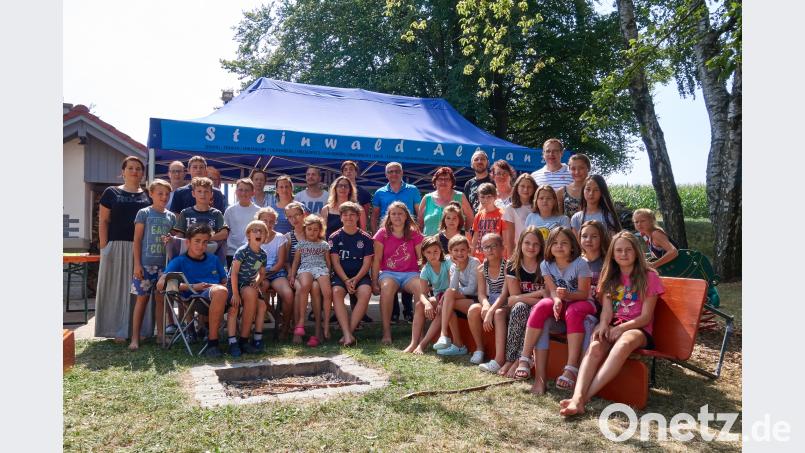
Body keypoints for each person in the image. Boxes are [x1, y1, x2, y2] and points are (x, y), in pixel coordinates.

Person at [560, 231, 664, 416]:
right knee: (595, 347)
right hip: (614, 323)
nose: (623, 254)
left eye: (628, 250)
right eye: (619, 250)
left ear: (636, 252)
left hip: (637, 328)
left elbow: (646, 316)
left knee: (623, 343)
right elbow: (607, 311)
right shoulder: (609, 277)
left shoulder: (649, 277)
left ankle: (583, 399)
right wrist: (603, 324)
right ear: (613, 254)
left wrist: (621, 328)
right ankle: (577, 397)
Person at [514, 227, 592, 395]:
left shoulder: (581, 263)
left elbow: (584, 294)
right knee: (541, 306)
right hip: (562, 305)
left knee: (574, 310)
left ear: (572, 246)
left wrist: (568, 295)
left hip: (582, 305)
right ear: (549, 246)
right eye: (555, 243)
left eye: (564, 243)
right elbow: (552, 291)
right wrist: (557, 299)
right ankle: (525, 358)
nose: (559, 246)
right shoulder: (546, 264)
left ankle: (571, 368)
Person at [95, 156, 152, 341]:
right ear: (123, 171)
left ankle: (140, 331)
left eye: (138, 168)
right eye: (131, 168)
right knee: (114, 288)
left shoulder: (148, 195)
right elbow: (103, 221)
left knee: (138, 291)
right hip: (116, 246)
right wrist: (104, 246)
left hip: (141, 249)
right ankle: (115, 330)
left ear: (142, 173)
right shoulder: (111, 193)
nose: (134, 171)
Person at [157, 223, 230, 358]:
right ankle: (213, 343)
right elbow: (162, 285)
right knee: (220, 291)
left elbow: (224, 281)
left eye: (205, 242)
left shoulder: (213, 259)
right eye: (197, 241)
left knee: (224, 291)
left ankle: (237, 341)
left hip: (217, 295)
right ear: (188, 242)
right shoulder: (179, 261)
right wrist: (192, 287)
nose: (201, 245)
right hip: (194, 298)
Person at [128, 179, 176, 350]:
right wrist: (137, 265)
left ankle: (160, 335)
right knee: (141, 300)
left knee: (161, 300)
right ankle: (135, 338)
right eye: (160, 193)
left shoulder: (171, 217)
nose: (163, 197)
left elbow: (174, 243)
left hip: (164, 267)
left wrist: (170, 240)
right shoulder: (144, 213)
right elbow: (137, 239)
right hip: (146, 265)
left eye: (166, 194)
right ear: (151, 194)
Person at [371, 162, 421, 322]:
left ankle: (408, 312)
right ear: (386, 175)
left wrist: (417, 232)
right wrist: (376, 233)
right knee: (389, 281)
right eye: (390, 172)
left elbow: (418, 213)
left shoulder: (413, 189)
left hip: (408, 234)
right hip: (388, 236)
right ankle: (393, 314)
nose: (393, 174)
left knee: (409, 266)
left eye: (396, 171)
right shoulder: (380, 192)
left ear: (401, 173)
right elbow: (375, 215)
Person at [371, 202, 424, 345]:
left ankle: (419, 333)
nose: (397, 216)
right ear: (389, 216)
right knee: (387, 288)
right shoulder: (382, 233)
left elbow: (421, 258)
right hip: (389, 273)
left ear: (406, 216)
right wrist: (374, 282)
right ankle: (386, 332)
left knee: (420, 288)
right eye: (393, 213)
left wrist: (425, 278)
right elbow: (376, 260)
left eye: (400, 213)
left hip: (411, 273)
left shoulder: (414, 233)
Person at [497, 227, 547, 378]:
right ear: (520, 244)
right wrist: (538, 293)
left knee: (533, 312)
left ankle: (521, 359)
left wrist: (521, 298)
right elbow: (513, 299)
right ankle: (510, 359)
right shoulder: (513, 265)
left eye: (536, 244)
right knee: (519, 308)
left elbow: (546, 298)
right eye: (527, 243)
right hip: (523, 305)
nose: (531, 247)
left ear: (541, 246)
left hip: (541, 308)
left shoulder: (545, 265)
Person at [329, 202, 374, 347]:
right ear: (341, 217)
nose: (349, 218)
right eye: (345, 215)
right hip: (342, 276)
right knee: (336, 292)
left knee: (366, 292)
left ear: (357, 217)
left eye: (352, 215)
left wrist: (356, 279)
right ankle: (348, 334)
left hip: (360, 276)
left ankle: (348, 332)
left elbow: (367, 263)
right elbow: (335, 262)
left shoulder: (366, 238)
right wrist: (346, 280)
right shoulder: (334, 237)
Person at [289, 214, 333, 347]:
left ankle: (325, 325)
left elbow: (328, 262)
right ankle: (301, 321)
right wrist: (292, 275)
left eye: (316, 229)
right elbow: (296, 262)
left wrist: (328, 274)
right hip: (306, 268)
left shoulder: (324, 245)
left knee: (327, 292)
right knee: (305, 286)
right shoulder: (301, 244)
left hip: (321, 268)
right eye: (309, 229)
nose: (312, 232)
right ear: (305, 229)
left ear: (320, 231)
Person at [433, 235, 479, 359]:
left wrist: (453, 294)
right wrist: (457, 267)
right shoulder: (453, 266)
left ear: (468, 250)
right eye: (456, 250)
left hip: (475, 299)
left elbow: (472, 289)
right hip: (461, 298)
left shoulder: (474, 262)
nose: (459, 253)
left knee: (448, 295)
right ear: (451, 252)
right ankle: (458, 345)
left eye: (463, 250)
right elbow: (453, 286)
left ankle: (444, 334)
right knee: (449, 306)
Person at [225, 220, 268, 357]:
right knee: (234, 308)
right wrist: (235, 294)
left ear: (265, 236)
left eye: (261, 231)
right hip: (235, 284)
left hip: (248, 284)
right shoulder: (242, 251)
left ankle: (254, 339)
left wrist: (257, 282)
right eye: (254, 230)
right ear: (248, 235)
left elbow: (261, 273)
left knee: (262, 306)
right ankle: (233, 342)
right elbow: (234, 273)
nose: (258, 232)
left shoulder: (262, 254)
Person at [408, 235, 453, 354]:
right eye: (428, 252)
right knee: (419, 305)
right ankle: (413, 343)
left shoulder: (447, 263)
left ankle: (423, 344)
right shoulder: (425, 270)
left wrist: (441, 300)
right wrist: (427, 303)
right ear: (423, 253)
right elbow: (422, 293)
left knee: (440, 309)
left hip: (451, 295)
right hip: (439, 297)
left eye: (435, 251)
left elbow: (452, 286)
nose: (432, 255)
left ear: (440, 251)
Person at [284, 202, 321, 344]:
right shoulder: (288, 237)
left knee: (316, 287)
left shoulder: (313, 231)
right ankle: (298, 330)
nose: (294, 219)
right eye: (290, 217)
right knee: (300, 288)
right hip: (297, 273)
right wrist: (289, 273)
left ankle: (318, 330)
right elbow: (287, 260)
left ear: (304, 214)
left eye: (297, 215)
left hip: (316, 271)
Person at [256, 207, 294, 345]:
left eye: (271, 221)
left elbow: (280, 262)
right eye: (264, 220)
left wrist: (267, 272)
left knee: (288, 294)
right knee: (260, 291)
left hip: (276, 272)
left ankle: (285, 326)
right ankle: (276, 316)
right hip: (260, 273)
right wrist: (260, 274)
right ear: (258, 220)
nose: (268, 223)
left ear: (275, 222)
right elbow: (252, 260)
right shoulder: (253, 237)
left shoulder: (280, 237)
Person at [476, 233, 510, 372]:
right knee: (473, 309)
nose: (489, 250)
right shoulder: (481, 269)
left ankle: (499, 359)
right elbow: (481, 293)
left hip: (506, 301)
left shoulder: (508, 267)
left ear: (502, 248)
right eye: (486, 247)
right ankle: (479, 350)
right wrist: (485, 304)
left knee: (498, 314)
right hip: (491, 301)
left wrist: (490, 310)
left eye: (494, 246)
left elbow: (505, 294)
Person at [418, 166, 474, 236]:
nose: (443, 182)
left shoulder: (460, 196)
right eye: (440, 179)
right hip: (430, 244)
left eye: (447, 179)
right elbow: (420, 224)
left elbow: (470, 218)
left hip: (455, 244)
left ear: (452, 182)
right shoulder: (427, 198)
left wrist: (463, 234)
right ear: (435, 181)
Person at [172, 177, 229, 244]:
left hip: (210, 251)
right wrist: (172, 239)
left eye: (206, 191)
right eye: (199, 191)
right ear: (193, 194)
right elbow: (180, 235)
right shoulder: (185, 213)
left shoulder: (216, 214)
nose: (203, 194)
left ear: (211, 194)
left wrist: (206, 240)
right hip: (190, 251)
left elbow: (224, 233)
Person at [223, 178, 260, 266]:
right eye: (241, 190)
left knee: (251, 278)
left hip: (252, 252)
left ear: (253, 193)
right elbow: (225, 231)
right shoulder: (229, 210)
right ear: (236, 192)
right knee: (233, 279)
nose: (243, 193)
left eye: (247, 190)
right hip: (232, 253)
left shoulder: (259, 211)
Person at [469, 183, 507, 262]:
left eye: (489, 197)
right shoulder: (478, 215)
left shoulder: (502, 214)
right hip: (479, 258)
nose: (485, 200)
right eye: (482, 197)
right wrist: (471, 257)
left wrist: (503, 259)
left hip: (495, 257)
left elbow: (505, 241)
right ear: (478, 198)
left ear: (495, 197)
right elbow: (475, 239)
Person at [503, 174, 538, 258]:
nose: (526, 189)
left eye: (529, 187)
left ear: (534, 189)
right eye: (522, 186)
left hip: (537, 249)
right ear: (517, 188)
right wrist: (511, 258)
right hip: (520, 251)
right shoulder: (510, 209)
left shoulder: (538, 207)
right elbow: (510, 238)